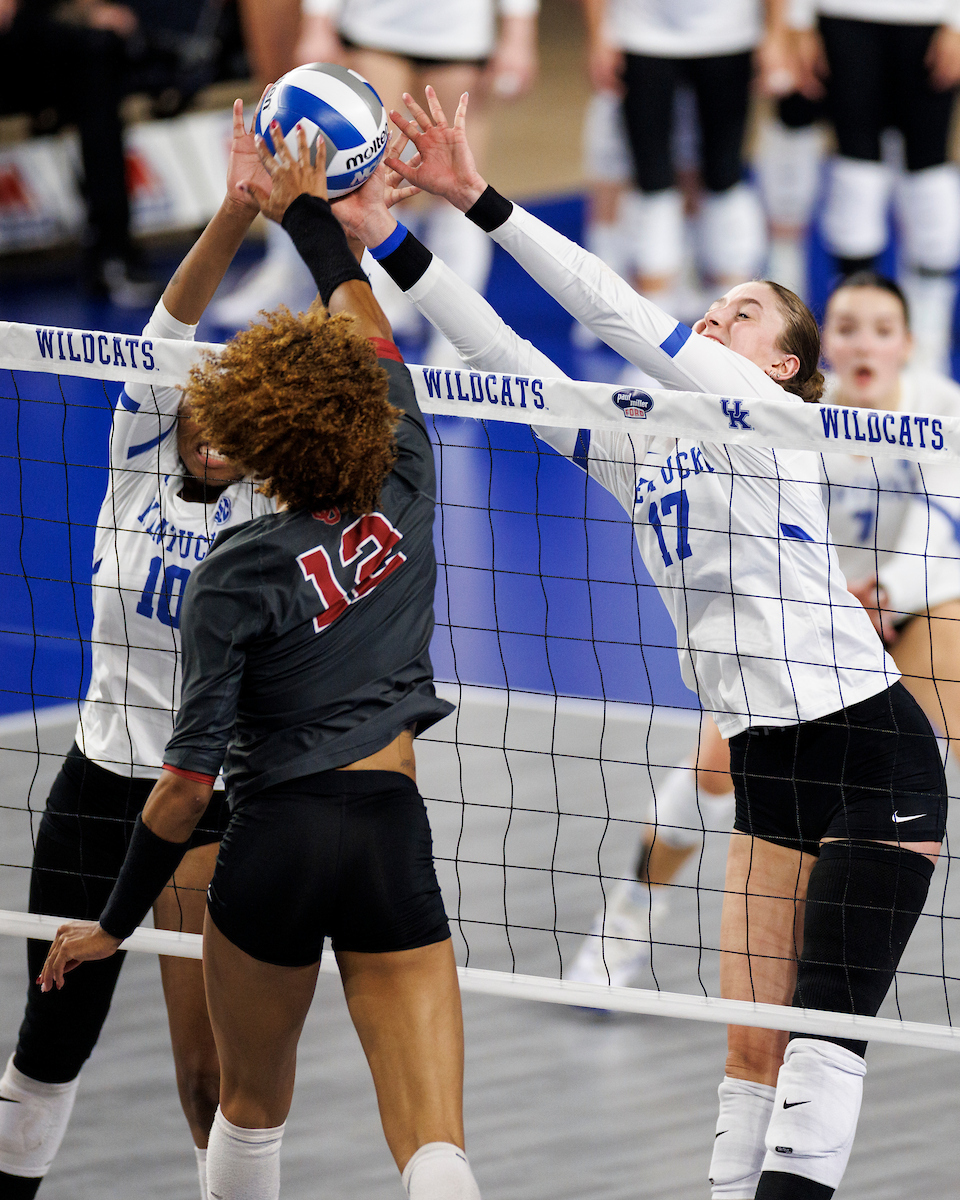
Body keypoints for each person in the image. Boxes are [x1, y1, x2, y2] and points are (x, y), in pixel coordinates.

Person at [362, 89, 946, 1200]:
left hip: (872, 757)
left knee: (821, 1042)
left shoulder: (775, 424)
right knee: (749, 1054)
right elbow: (502, 358)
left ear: (782, 364)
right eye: (713, 308)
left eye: (742, 313)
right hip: (768, 764)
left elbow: (621, 311)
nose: (715, 319)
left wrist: (476, 197)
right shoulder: (645, 450)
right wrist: (385, 238)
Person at [38, 126, 481, 1200]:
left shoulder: (234, 571)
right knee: (434, 1147)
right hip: (387, 830)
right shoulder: (408, 472)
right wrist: (313, 217)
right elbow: (368, 329)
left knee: (244, 1112)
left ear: (262, 444)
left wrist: (113, 925)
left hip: (270, 841)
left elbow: (187, 789)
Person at [0, 101, 275, 1200]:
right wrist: (239, 209)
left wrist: (338, 235)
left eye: (242, 420)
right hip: (95, 783)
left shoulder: (272, 508)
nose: (215, 429)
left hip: (205, 797)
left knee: (206, 1067)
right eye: (205, 406)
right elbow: (170, 325)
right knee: (48, 1036)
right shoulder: (139, 450)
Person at [568, 270, 960, 997]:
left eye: (881, 330)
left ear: (908, 344)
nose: (864, 345)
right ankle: (629, 915)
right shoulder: (784, 409)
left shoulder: (940, 408)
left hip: (906, 604)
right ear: (818, 348)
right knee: (712, 774)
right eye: (848, 329)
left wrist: (888, 595)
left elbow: (945, 521)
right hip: (798, 619)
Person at [213, 0, 538, 360]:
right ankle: (379, 315)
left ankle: (462, 343)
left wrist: (518, 30)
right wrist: (319, 21)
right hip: (373, 26)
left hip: (458, 33)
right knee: (377, 182)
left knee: (456, 193)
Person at [580, 0, 786, 318]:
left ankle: (735, 315)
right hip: (642, 33)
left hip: (729, 33)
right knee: (652, 181)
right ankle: (655, 314)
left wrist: (777, 33)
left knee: (725, 178)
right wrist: (598, 34)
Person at [788, 0, 960, 371]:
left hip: (929, 18)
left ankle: (927, 348)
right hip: (843, 15)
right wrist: (799, 20)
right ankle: (851, 338)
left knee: (928, 173)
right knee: (856, 172)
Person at [0, 0, 162, 305]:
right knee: (93, 53)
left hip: (34, 45)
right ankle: (110, 250)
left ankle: (111, 250)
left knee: (98, 50)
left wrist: (90, 12)